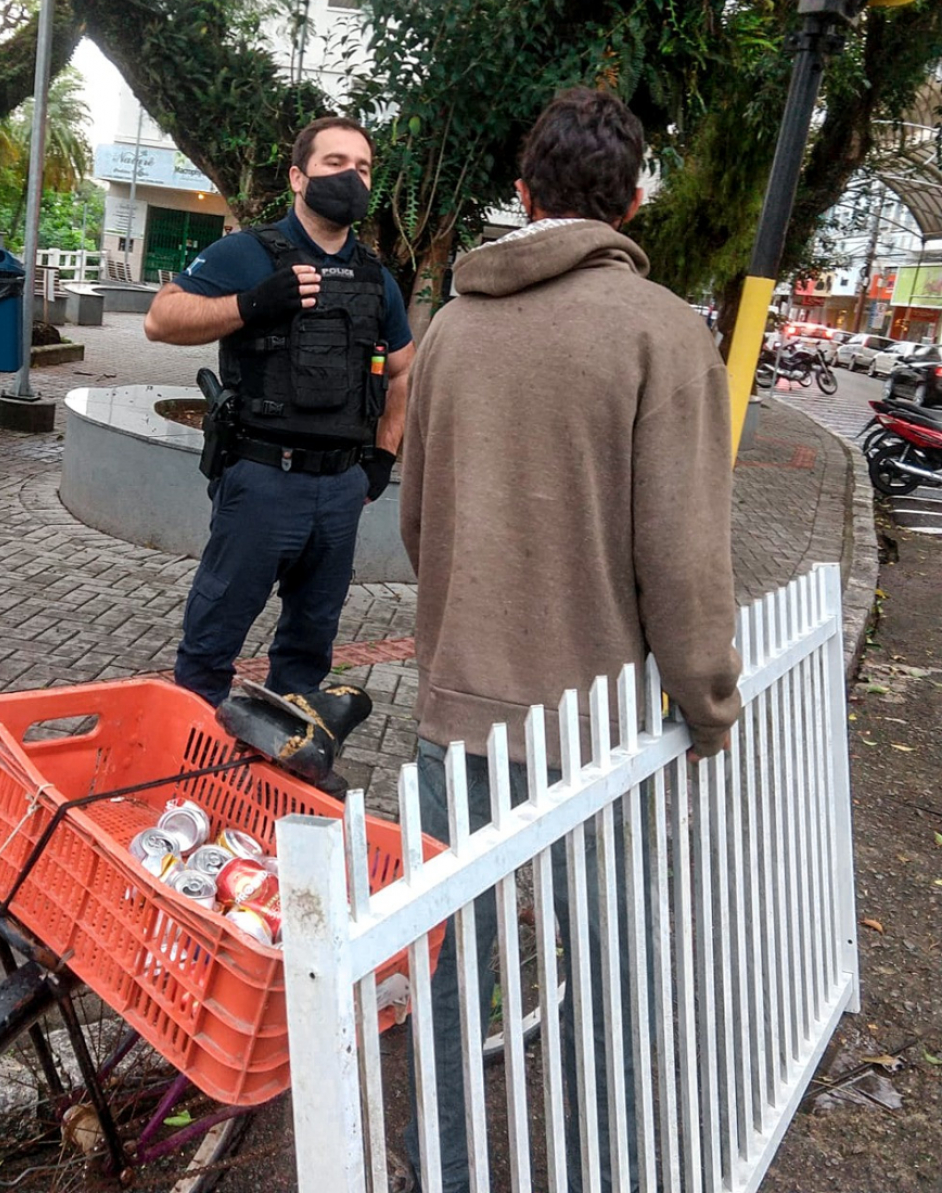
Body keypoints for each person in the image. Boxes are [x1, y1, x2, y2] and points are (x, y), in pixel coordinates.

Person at [397, 87, 742, 1191]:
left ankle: (442, 1169)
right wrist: (706, 701)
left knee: (453, 970)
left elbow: (416, 520)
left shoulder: (448, 327)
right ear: (632, 202)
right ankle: (610, 1164)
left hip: (458, 708)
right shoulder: (659, 330)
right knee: (610, 970)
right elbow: (683, 553)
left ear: (522, 193)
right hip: (592, 722)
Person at [145, 117, 414, 709]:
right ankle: (190, 769)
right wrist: (252, 303)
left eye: (363, 168)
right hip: (263, 481)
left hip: (341, 489)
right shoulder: (248, 254)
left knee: (309, 649)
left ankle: (281, 763)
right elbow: (160, 319)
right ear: (299, 176)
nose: (352, 178)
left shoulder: (376, 278)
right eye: (336, 164)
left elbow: (404, 372)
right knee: (212, 642)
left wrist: (383, 454)